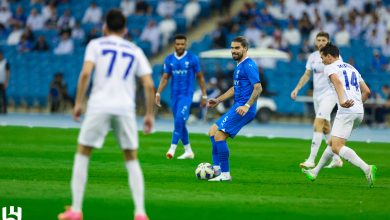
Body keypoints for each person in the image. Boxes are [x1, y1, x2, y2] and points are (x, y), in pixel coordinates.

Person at [58, 9, 154, 220]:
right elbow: (148, 85)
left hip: (99, 105)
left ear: (105, 27)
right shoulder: (135, 50)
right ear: (125, 29)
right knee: (131, 158)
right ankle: (140, 213)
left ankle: (75, 209)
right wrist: (149, 114)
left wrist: (78, 103)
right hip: (125, 108)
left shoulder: (96, 45)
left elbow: (85, 74)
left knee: (83, 152)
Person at [302, 43, 376, 187]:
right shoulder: (351, 68)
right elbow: (367, 91)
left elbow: (337, 82)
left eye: (323, 57)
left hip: (346, 111)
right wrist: (358, 105)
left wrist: (342, 101)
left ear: (329, 57)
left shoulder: (330, 67)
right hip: (358, 112)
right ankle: (314, 172)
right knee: (332, 143)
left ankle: (367, 168)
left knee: (337, 147)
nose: (322, 61)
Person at [207, 36, 262, 181]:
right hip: (237, 106)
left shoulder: (249, 65)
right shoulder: (239, 65)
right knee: (213, 131)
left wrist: (247, 105)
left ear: (245, 48)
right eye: (232, 48)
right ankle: (217, 170)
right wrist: (218, 100)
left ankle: (225, 174)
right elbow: (234, 88)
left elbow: (258, 87)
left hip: (244, 109)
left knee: (219, 135)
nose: (233, 51)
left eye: (237, 48)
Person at [291, 32, 343, 169]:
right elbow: (307, 74)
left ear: (328, 41)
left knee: (318, 122)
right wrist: (297, 88)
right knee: (325, 127)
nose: (320, 42)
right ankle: (337, 158)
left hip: (330, 94)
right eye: (318, 40)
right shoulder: (313, 57)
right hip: (317, 95)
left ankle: (311, 159)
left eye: (323, 40)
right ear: (315, 41)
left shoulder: (334, 57)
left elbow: (341, 75)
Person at [155, 34, 207, 160]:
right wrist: (158, 93)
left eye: (182, 44)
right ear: (174, 45)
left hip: (186, 95)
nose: (180, 46)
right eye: (177, 44)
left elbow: (200, 77)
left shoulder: (192, 58)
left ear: (185, 45)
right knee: (180, 123)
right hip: (174, 96)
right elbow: (165, 77)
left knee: (179, 119)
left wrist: (204, 95)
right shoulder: (169, 60)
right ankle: (188, 151)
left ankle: (172, 149)